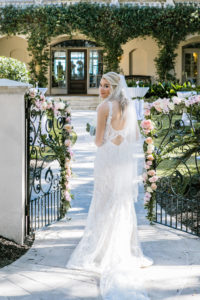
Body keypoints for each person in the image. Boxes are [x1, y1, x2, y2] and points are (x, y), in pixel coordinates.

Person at [66, 72, 153, 300]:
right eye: (101, 85)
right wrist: (119, 139)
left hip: (106, 159)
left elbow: (98, 141)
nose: (102, 89)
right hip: (123, 160)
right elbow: (134, 137)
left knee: (104, 200)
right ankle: (122, 248)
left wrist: (94, 135)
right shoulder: (127, 105)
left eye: (106, 86)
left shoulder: (104, 107)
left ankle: (102, 250)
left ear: (114, 86)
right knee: (120, 200)